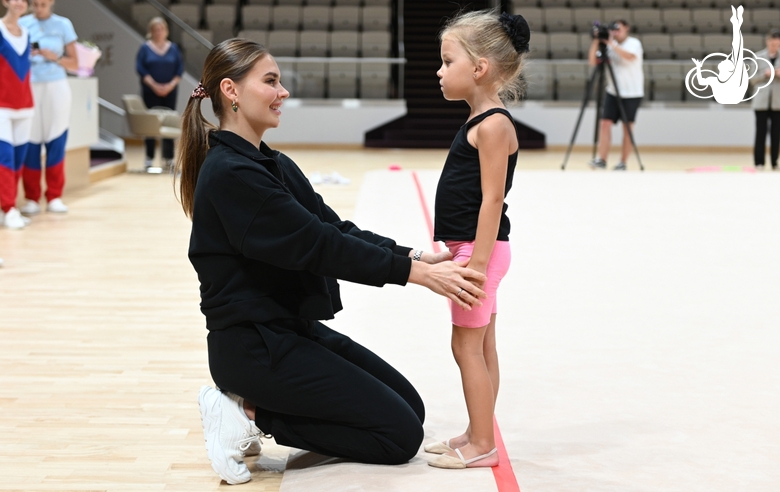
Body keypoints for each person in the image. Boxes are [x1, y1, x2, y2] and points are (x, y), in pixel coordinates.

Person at [177, 38, 488, 485]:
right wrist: (416, 275)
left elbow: (335, 227)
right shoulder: (230, 174)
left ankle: (254, 409)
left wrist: (415, 255)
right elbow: (319, 245)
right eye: (270, 81)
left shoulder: (271, 164)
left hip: (288, 331)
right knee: (398, 437)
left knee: (410, 409)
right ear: (231, 91)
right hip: (254, 348)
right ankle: (247, 411)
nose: (282, 92)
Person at [423, 10, 526, 470]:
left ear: (479, 68)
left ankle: (483, 442)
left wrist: (476, 263)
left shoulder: (492, 125)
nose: (440, 71)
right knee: (481, 346)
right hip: (471, 249)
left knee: (465, 346)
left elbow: (491, 201)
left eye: (447, 61)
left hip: (480, 253)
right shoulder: (480, 120)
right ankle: (477, 429)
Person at [18, 0, 77, 216]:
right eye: (35, 4)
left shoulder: (63, 24)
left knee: (56, 138)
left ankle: (54, 196)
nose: (39, 8)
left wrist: (55, 57)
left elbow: (75, 63)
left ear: (51, 2)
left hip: (56, 87)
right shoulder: (22, 24)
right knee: (30, 141)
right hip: (30, 85)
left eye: (43, 4)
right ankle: (32, 197)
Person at [587, 19, 644, 171]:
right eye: (614, 29)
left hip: (632, 92)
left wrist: (612, 43)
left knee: (627, 127)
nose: (615, 32)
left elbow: (629, 56)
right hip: (612, 91)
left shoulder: (634, 43)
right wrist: (596, 41)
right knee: (604, 124)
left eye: (618, 28)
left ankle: (623, 162)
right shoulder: (608, 45)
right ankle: (601, 159)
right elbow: (593, 61)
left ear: (627, 28)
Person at [0, 0, 34, 229]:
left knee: (19, 160)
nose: (19, 3)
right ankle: (8, 207)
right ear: (5, 2)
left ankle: (9, 207)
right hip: (2, 105)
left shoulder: (28, 33)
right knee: (5, 159)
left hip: (25, 105)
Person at [135, 17, 182, 171]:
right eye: (155, 29)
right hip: (150, 91)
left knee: (168, 122)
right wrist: (155, 85)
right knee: (151, 123)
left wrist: (169, 86)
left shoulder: (174, 48)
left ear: (166, 31)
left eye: (161, 29)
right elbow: (141, 69)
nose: (158, 32)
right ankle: (149, 158)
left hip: (170, 92)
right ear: (151, 31)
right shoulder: (145, 48)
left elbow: (179, 70)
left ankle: (168, 158)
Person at [691, 6, 749, 106]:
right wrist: (698, 68)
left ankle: (736, 23)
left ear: (730, 69)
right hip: (726, 98)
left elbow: (738, 48)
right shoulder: (714, 79)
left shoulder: (735, 77)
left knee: (737, 51)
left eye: (728, 61)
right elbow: (700, 82)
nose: (725, 59)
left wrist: (736, 25)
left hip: (733, 97)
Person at [750, 28, 780, 170]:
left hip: (777, 103)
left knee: (776, 135)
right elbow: (752, 80)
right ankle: (759, 163)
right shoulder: (758, 57)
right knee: (760, 133)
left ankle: (774, 162)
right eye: (772, 42)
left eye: (777, 43)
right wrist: (765, 75)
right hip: (761, 102)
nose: (774, 45)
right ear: (767, 41)